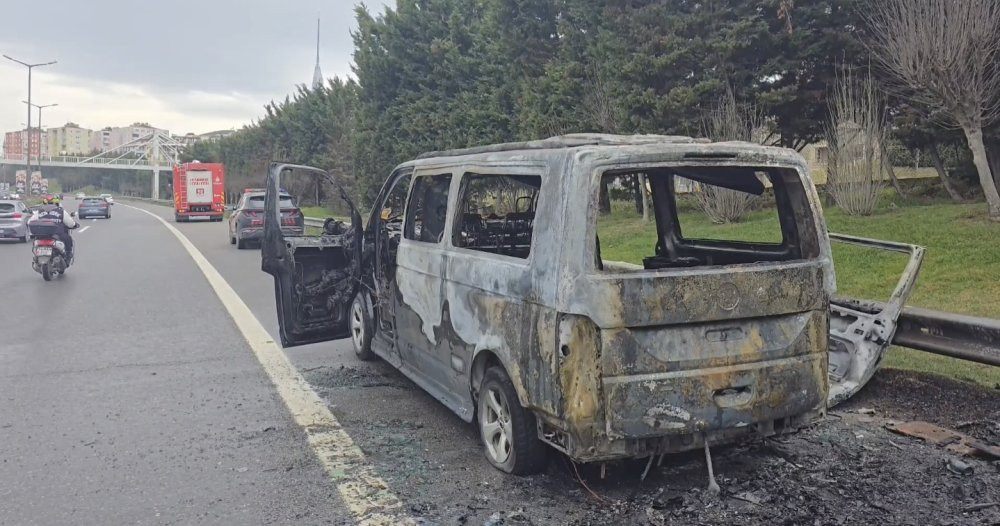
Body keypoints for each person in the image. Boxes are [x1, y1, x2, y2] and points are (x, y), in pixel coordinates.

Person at [30, 194, 79, 261]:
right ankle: (68, 256)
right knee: (68, 239)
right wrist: (74, 225)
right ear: (57, 202)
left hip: (41, 235)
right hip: (58, 235)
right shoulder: (61, 211)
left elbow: (29, 222)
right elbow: (70, 224)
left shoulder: (39, 211)